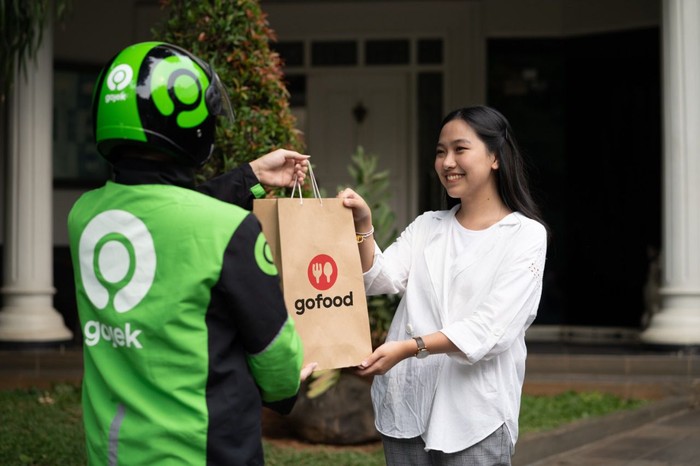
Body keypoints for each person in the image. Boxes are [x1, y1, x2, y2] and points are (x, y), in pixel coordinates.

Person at [68, 41, 314, 465]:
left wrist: (249, 177)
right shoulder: (229, 230)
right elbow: (275, 356)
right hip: (202, 450)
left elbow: (159, 209)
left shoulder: (85, 216)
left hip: (113, 451)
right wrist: (288, 381)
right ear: (192, 125)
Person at [339, 106, 548, 465]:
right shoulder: (428, 225)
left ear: (495, 157)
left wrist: (411, 347)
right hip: (406, 405)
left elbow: (491, 330)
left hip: (476, 416)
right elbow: (379, 279)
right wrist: (363, 224)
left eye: (460, 149)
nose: (447, 162)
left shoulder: (525, 235)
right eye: (440, 151)